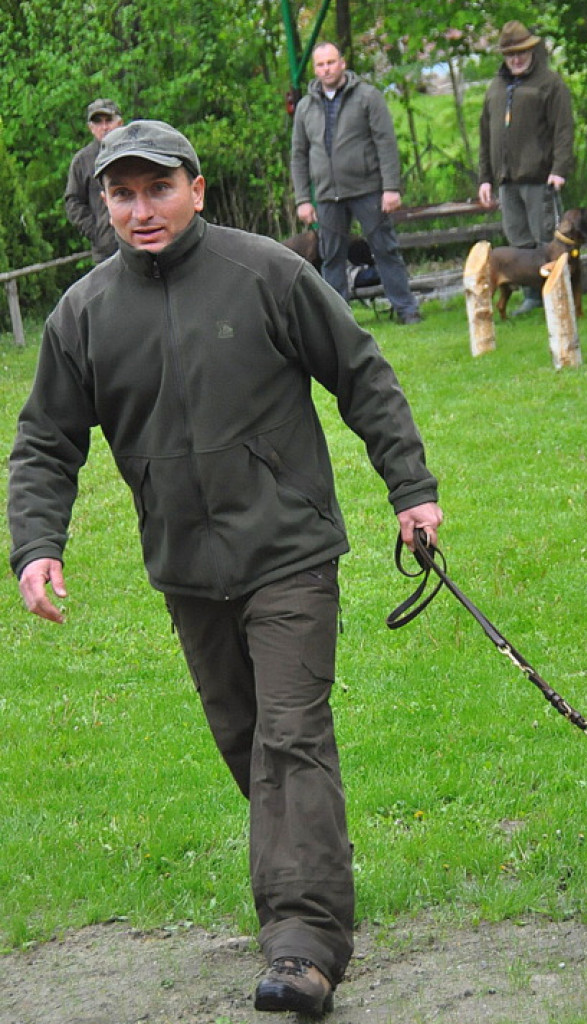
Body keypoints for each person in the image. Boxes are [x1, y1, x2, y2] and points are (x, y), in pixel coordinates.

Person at [8, 120, 443, 1018]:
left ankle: (304, 944)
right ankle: (309, 872)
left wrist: (412, 487)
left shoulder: (267, 273)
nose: (141, 210)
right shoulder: (84, 314)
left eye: (157, 190)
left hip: (289, 552)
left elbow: (361, 374)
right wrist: (38, 544)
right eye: (121, 195)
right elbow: (46, 441)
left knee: (292, 734)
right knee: (250, 746)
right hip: (187, 572)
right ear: (103, 204)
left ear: (195, 189)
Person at [290, 41, 423, 325]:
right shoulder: (305, 107)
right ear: (315, 69)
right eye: (320, 64)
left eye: (331, 62)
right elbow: (299, 155)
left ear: (342, 63)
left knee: (385, 249)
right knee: (331, 258)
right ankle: (339, 322)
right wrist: (303, 199)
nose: (326, 69)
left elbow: (385, 143)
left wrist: (391, 188)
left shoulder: (367, 97)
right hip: (327, 196)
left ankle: (407, 309)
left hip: (368, 190)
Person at [478, 20, 574, 315]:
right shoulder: (495, 87)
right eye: (510, 54)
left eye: (521, 52)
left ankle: (556, 293)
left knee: (546, 239)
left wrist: (560, 168)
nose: (516, 59)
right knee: (518, 241)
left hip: (540, 178)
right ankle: (532, 295)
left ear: (531, 51)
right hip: (506, 179)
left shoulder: (549, 83)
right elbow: (485, 134)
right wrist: (486, 179)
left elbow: (564, 130)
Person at [64, 98, 124, 262]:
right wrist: (96, 232)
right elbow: (73, 202)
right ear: (91, 128)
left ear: (120, 123)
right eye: (98, 123)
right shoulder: (82, 161)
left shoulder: (135, 154)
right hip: (106, 251)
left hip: (141, 244)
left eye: (108, 120)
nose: (104, 127)